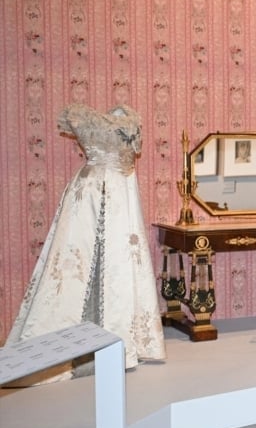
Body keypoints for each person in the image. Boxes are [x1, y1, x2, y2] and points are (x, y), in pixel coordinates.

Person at [6, 104, 166, 383]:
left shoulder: (129, 118)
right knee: (73, 267)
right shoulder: (79, 116)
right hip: (91, 191)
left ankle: (122, 342)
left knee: (118, 267)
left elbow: (128, 160)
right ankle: (59, 349)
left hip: (121, 193)